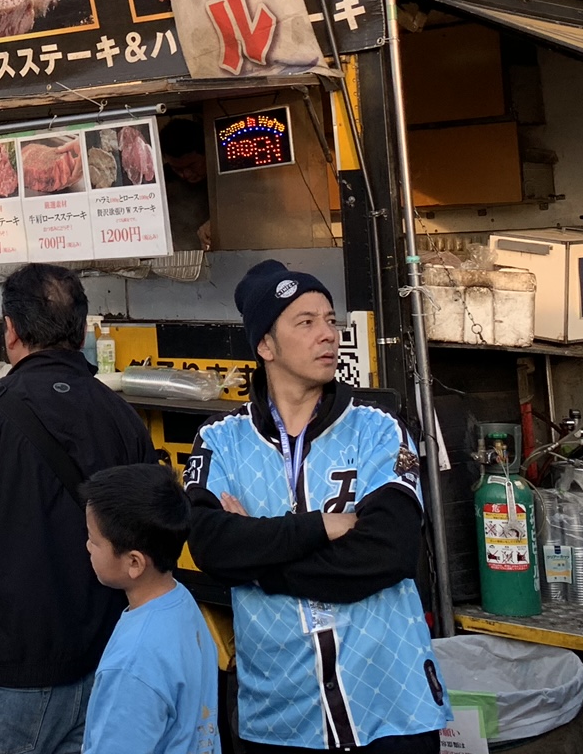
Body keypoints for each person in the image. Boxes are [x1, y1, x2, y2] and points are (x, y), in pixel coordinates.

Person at [184, 260, 446, 753]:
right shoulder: (220, 440)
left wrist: (261, 564)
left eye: (329, 320)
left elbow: (387, 552)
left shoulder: (377, 428)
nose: (327, 334)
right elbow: (212, 548)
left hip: (390, 704)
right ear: (265, 346)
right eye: (305, 322)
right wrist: (319, 527)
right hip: (281, 713)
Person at [0, 263, 157, 754]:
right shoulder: (124, 420)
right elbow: (150, 545)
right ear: (80, 332)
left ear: (10, 331)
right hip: (101, 672)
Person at [81, 464, 218, 754]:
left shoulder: (133, 664)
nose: (88, 546)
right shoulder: (180, 601)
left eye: (94, 540)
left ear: (134, 563)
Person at [160, 120, 215, 251]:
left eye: (191, 166)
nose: (185, 175)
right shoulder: (164, 182)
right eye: (176, 169)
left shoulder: (222, 178)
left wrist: (218, 224)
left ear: (207, 152)